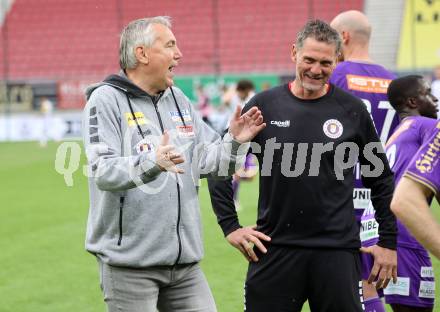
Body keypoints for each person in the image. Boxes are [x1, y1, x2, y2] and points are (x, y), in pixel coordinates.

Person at [208, 19, 397, 312]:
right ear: (293, 53)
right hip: (275, 251)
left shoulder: (352, 111)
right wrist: (229, 226)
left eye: (325, 62)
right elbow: (219, 165)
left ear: (337, 60)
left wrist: (388, 241)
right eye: (309, 59)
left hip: (337, 253)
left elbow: (381, 179)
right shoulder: (264, 106)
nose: (316, 70)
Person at [82, 16, 265, 312]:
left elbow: (210, 162)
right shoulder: (104, 101)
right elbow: (103, 170)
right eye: (170, 45)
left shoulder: (178, 98)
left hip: (184, 266)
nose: (179, 54)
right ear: (141, 54)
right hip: (130, 265)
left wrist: (234, 141)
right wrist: (152, 162)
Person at [330, 10, 399, 312]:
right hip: (382, 196)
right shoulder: (395, 83)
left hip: (342, 192)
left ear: (343, 37)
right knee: (371, 280)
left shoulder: (337, 77)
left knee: (342, 284)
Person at [384, 75, 438, 312]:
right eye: (428, 93)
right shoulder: (428, 127)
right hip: (406, 238)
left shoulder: (395, 135)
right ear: (413, 102)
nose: (435, 98)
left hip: (383, 237)